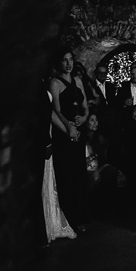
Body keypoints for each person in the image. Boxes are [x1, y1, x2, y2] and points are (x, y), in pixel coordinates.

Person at [48, 49, 90, 233]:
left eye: (70, 59)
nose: (68, 63)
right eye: (65, 60)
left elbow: (86, 107)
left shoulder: (78, 81)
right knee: (67, 175)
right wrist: (69, 127)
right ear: (59, 63)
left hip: (79, 133)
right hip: (64, 135)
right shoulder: (55, 83)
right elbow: (56, 110)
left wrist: (83, 117)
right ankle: (70, 217)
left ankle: (81, 216)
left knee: (79, 175)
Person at [41, 81, 77, 244]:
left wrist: (68, 129)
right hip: (41, 136)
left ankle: (51, 222)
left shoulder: (45, 82)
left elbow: (50, 112)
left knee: (48, 182)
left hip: (48, 133)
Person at [81, 112, 124, 215]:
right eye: (92, 120)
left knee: (113, 173)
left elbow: (102, 160)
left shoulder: (98, 139)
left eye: (96, 120)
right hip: (85, 171)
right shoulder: (81, 139)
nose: (95, 123)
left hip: (97, 168)